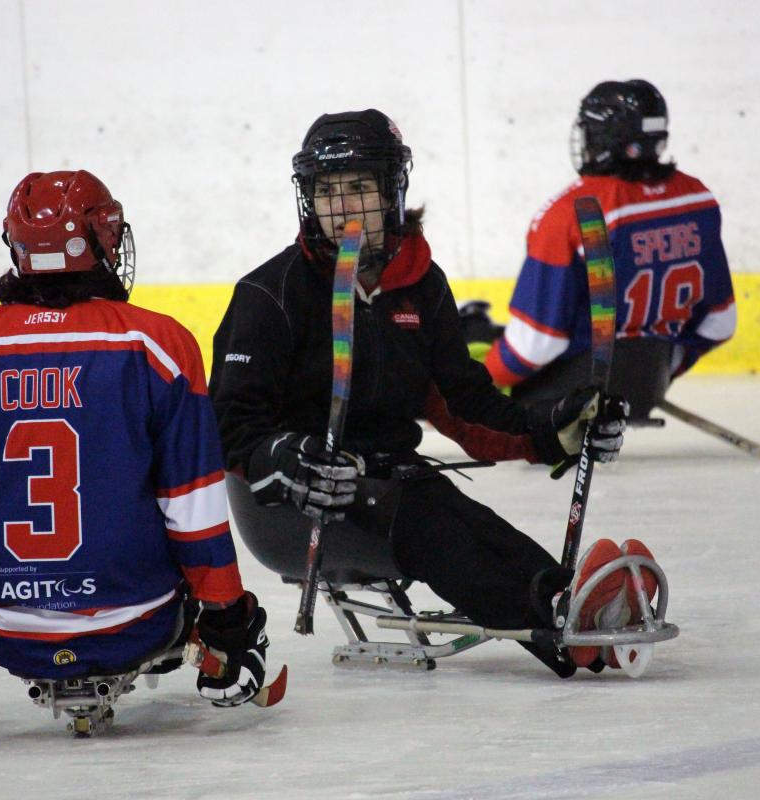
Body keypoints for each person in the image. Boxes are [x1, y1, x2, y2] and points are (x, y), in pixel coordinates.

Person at [209, 109, 655, 678]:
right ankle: (560, 617)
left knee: (462, 516)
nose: (342, 207)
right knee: (428, 522)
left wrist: (553, 428)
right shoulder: (269, 295)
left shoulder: (420, 284)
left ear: (393, 191)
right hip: (292, 508)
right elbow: (226, 424)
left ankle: (573, 605)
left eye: (360, 188)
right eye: (327, 192)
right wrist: (277, 456)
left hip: (393, 484)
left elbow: (464, 403)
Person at [0, 170, 271, 726]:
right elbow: (192, 505)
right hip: (136, 621)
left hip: (3, 632)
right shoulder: (157, 345)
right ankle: (210, 653)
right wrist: (228, 619)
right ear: (100, 241)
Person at [477, 79, 736, 420]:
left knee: (481, 341)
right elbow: (720, 322)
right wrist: (658, 370)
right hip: (648, 387)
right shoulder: (696, 198)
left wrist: (474, 385)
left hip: (571, 401)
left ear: (603, 139)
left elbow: (537, 343)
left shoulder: (572, 213)